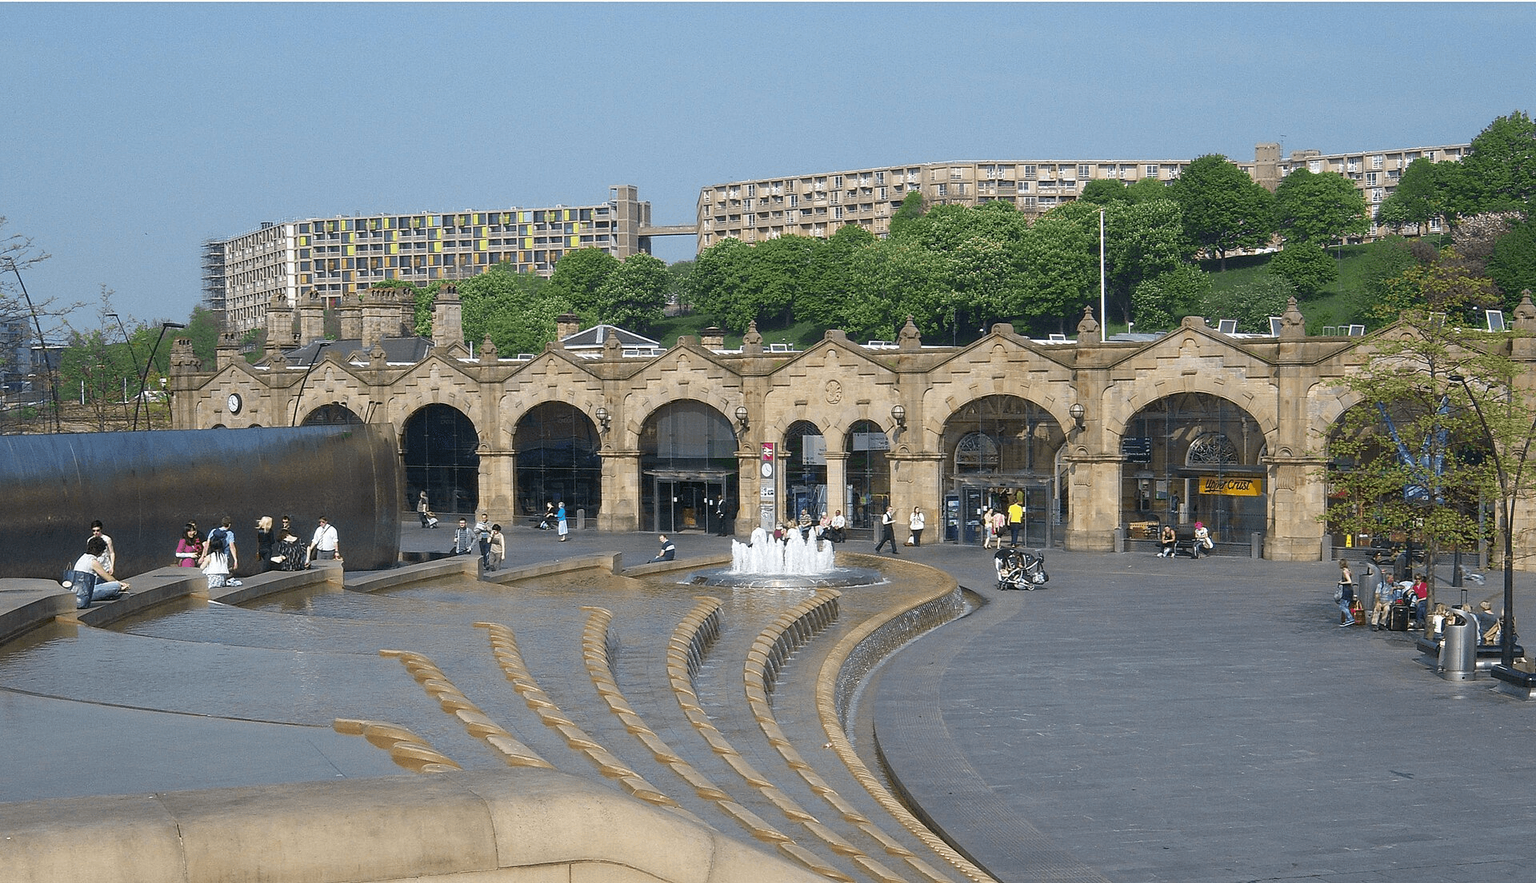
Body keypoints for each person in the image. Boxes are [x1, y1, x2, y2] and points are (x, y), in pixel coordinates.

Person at [67, 535, 129, 609]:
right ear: (100, 551)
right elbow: (108, 577)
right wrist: (120, 584)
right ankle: (115, 591)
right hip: (85, 594)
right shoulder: (93, 562)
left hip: (77, 590)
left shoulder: (83, 558)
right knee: (115, 585)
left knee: (102, 581)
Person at [1336, 559, 1357, 627]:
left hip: (1346, 590)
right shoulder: (1348, 570)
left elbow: (1349, 581)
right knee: (1346, 605)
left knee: (1342, 606)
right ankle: (1348, 620)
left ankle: (1350, 619)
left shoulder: (1344, 571)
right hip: (1350, 590)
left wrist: (1341, 582)